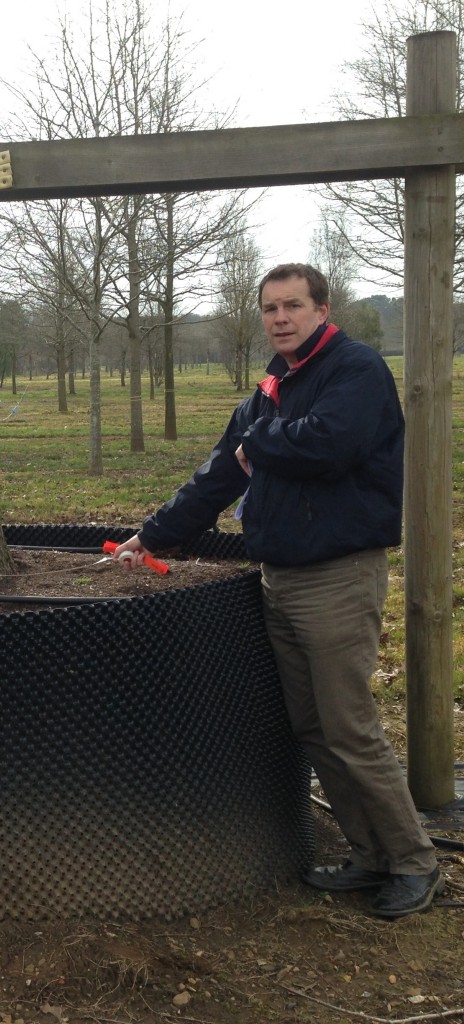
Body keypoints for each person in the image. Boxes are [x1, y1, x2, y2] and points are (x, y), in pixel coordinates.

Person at [113, 263, 443, 919]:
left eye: (293, 306)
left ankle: (415, 861)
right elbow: (219, 472)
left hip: (337, 576)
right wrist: (151, 536)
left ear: (323, 309)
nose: (280, 318)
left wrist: (256, 443)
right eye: (270, 309)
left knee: (350, 727)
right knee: (315, 728)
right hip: (280, 577)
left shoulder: (356, 370)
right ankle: (369, 855)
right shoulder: (273, 386)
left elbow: (328, 445)